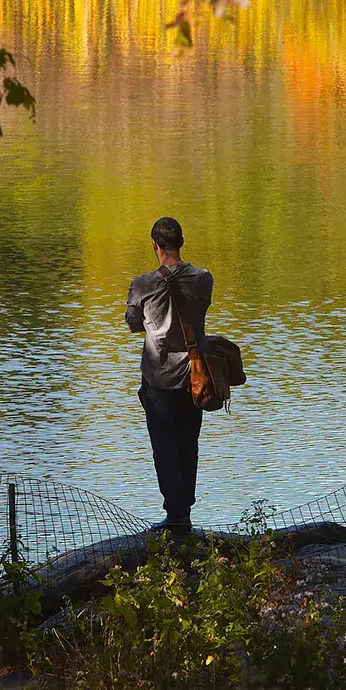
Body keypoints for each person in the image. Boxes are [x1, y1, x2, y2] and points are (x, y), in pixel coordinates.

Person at [124, 217, 213, 535]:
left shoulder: (142, 283)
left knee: (164, 447)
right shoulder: (204, 279)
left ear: (154, 245)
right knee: (189, 443)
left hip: (158, 378)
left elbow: (133, 323)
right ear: (181, 242)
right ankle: (183, 512)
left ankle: (175, 516)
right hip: (195, 377)